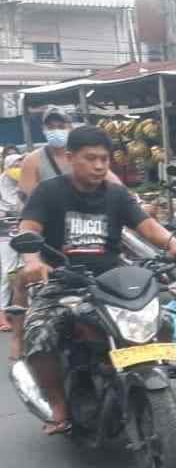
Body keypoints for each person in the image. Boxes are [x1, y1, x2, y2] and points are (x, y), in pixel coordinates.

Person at [17, 126, 176, 435]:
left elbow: (148, 226)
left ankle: (149, 384)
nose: (100, 166)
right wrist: (33, 261)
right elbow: (29, 228)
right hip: (64, 282)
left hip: (113, 280)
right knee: (40, 335)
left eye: (104, 159)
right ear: (71, 158)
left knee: (163, 319)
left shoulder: (116, 194)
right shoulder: (49, 192)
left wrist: (175, 245)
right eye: (91, 159)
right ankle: (58, 404)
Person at [9, 108, 127, 361]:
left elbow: (120, 191)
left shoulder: (98, 166)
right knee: (24, 278)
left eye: (60, 124)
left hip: (97, 241)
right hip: (47, 232)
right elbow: (27, 202)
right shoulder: (34, 161)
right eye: (50, 125)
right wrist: (33, 252)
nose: (56, 129)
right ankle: (19, 337)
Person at [0, 153, 23, 331]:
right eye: (15, 164)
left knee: (24, 272)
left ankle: (21, 312)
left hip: (24, 233)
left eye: (21, 163)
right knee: (8, 274)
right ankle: (2, 315)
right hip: (4, 235)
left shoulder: (26, 185)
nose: (19, 168)